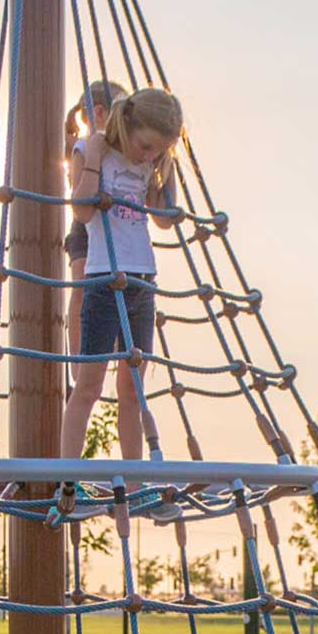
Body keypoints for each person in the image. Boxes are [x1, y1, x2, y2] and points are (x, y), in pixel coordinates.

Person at [59, 87, 183, 462]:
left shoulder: (149, 163)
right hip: (103, 279)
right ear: (127, 124)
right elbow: (82, 211)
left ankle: (133, 481)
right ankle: (67, 476)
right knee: (88, 386)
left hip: (142, 282)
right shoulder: (90, 150)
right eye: (146, 146)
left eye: (158, 150)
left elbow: (165, 220)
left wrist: (166, 166)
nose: (148, 155)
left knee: (133, 390)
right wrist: (95, 158)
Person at [60, 78, 126, 368]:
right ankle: (79, 363)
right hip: (86, 227)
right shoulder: (82, 148)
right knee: (83, 287)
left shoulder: (122, 149)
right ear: (100, 112)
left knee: (115, 288)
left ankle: (105, 354)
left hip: (116, 228)